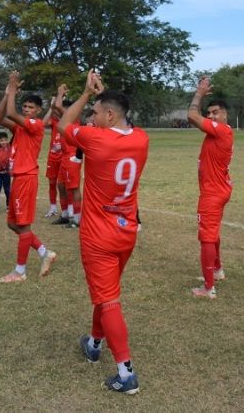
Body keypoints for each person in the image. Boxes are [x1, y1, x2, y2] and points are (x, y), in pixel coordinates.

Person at [60, 70, 148, 395]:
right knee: (105, 291)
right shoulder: (141, 138)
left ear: (109, 114)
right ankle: (94, 343)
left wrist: (84, 93)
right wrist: (100, 95)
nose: (90, 117)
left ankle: (126, 373)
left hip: (99, 236)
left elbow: (62, 124)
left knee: (109, 300)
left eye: (95, 112)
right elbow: (126, 126)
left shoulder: (96, 138)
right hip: (126, 231)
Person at [0, 71, 57, 283]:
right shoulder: (20, 127)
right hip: (18, 178)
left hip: (26, 178)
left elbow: (11, 112)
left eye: (31, 108)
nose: (26, 110)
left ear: (38, 111)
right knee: (12, 224)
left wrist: (12, 89)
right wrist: (6, 94)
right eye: (25, 107)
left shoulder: (36, 125)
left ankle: (20, 272)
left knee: (23, 226)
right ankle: (45, 253)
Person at [187, 77, 233, 299]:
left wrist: (199, 94)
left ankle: (208, 288)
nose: (211, 116)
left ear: (225, 115)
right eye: (210, 113)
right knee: (213, 233)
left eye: (216, 112)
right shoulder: (217, 133)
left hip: (212, 194)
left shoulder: (221, 130)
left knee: (206, 236)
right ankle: (217, 270)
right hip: (219, 189)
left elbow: (191, 116)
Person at [52, 88, 83, 228]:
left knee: (74, 188)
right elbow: (55, 108)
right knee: (61, 185)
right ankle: (65, 215)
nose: (60, 113)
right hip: (64, 156)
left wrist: (60, 93)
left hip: (72, 156)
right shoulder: (64, 120)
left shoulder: (73, 118)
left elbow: (57, 107)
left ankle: (77, 219)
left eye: (64, 110)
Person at [43, 97, 65, 217]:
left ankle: (67, 209)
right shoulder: (54, 122)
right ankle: (52, 208)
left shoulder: (68, 122)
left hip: (64, 158)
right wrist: (51, 108)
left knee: (64, 185)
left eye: (57, 111)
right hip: (52, 157)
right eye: (54, 111)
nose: (55, 114)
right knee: (52, 183)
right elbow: (44, 123)